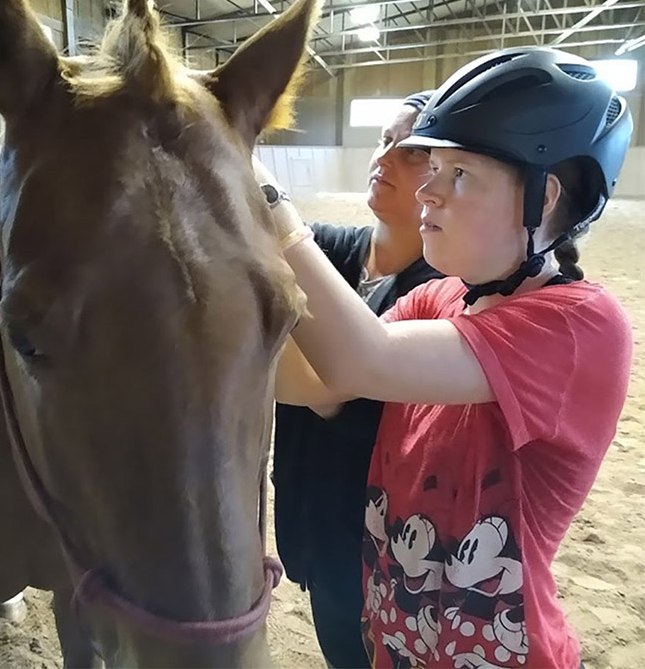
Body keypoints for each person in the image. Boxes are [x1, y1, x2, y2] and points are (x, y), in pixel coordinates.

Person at [260, 47, 633, 668]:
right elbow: (322, 381)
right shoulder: (440, 295)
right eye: (432, 165)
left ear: (542, 201)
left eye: (458, 174)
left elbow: (361, 360)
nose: (427, 189)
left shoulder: (577, 326)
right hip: (394, 644)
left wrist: (267, 204)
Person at [272, 91, 441, 669]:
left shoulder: (443, 293)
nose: (385, 157)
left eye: (411, 150)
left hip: (378, 541)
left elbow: (326, 390)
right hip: (314, 516)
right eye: (384, 140)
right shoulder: (339, 252)